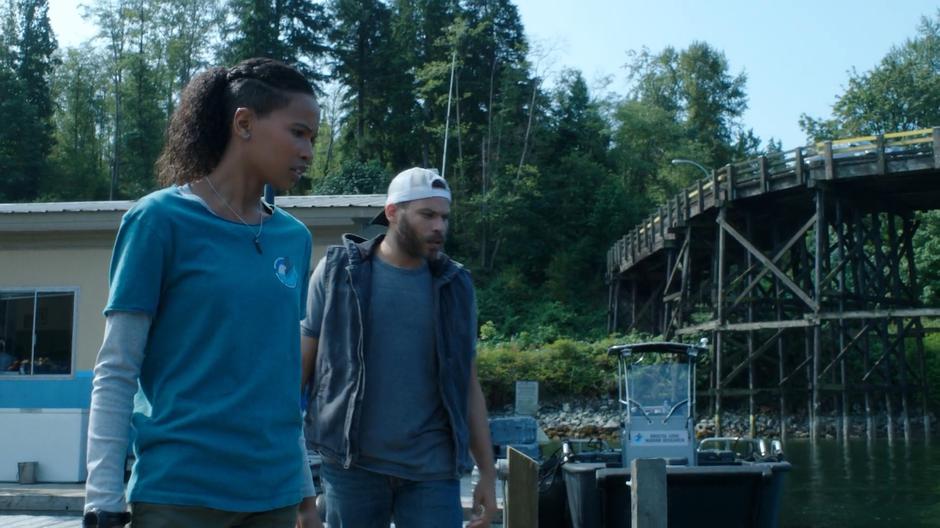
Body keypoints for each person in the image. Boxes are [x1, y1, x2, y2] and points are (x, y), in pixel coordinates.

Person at [83, 58, 321, 528]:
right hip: (179, 495)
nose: (308, 151)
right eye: (298, 132)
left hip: (272, 498)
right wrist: (103, 498)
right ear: (244, 123)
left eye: (312, 137)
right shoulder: (158, 221)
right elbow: (117, 367)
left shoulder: (294, 239)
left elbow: (280, 375)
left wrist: (303, 492)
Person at [299, 167, 497, 528]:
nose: (439, 226)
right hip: (351, 466)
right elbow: (299, 372)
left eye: (444, 217)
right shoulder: (336, 272)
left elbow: (467, 383)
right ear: (392, 212)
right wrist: (293, 476)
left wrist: (486, 471)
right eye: (427, 215)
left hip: (433, 472)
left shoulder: (456, 285)